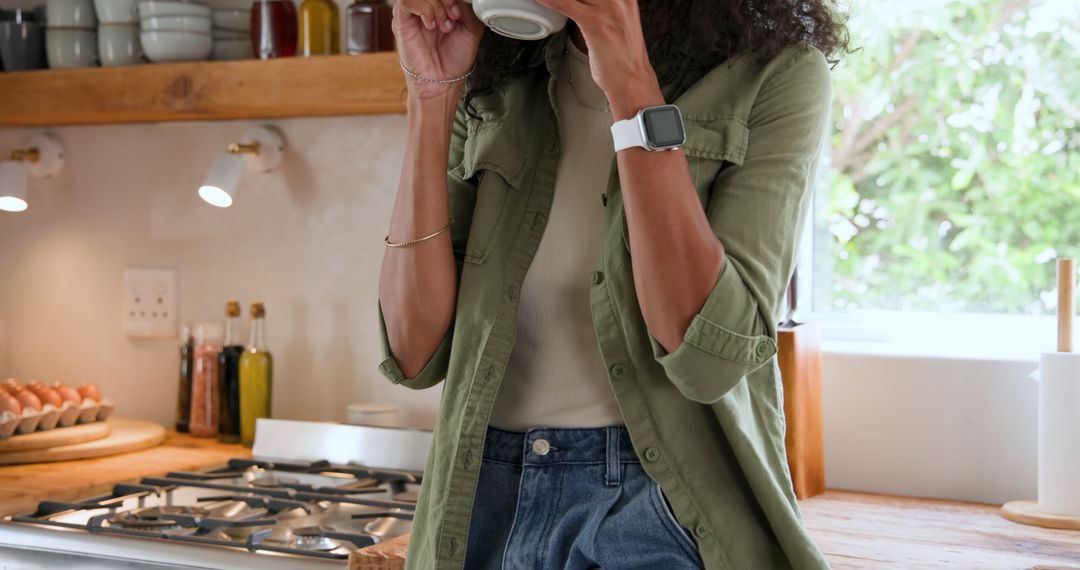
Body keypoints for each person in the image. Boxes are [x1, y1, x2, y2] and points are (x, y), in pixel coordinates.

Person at [377, 0, 847, 568]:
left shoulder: (776, 73)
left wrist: (629, 79)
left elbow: (707, 357)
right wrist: (431, 95)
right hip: (481, 495)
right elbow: (413, 351)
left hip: (659, 503)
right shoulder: (499, 78)